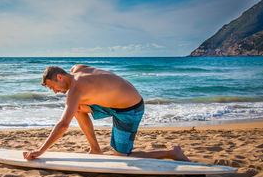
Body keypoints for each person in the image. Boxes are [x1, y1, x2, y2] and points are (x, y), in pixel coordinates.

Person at [23, 65, 189, 161]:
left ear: (59, 77)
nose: (55, 92)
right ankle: (95, 149)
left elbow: (63, 125)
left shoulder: (76, 89)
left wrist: (40, 151)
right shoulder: (77, 69)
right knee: (78, 108)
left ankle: (172, 152)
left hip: (130, 109)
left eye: (53, 87)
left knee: (122, 157)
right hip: (114, 104)